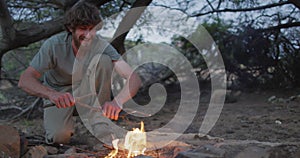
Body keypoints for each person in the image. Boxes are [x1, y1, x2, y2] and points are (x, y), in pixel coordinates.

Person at [18, 1, 141, 145]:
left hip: (89, 94)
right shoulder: (54, 45)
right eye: (83, 29)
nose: (88, 35)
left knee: (104, 60)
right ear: (71, 28)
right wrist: (52, 94)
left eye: (92, 29)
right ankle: (65, 129)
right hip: (59, 95)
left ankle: (99, 121)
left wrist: (117, 102)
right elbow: (25, 80)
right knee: (59, 138)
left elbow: (134, 78)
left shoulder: (101, 45)